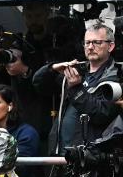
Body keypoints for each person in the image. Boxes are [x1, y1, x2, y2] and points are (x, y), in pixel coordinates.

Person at [34, 21, 119, 153]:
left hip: (91, 156)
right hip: (61, 150)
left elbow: (102, 113)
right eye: (87, 42)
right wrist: (52, 68)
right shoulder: (77, 71)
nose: (90, 47)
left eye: (97, 42)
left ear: (110, 46)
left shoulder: (117, 76)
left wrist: (76, 88)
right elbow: (39, 84)